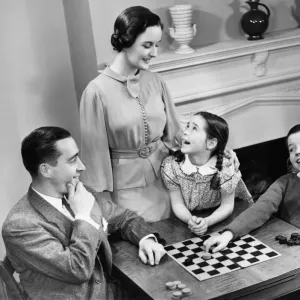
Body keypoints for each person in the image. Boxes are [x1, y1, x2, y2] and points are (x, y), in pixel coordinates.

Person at [79, 6, 239, 222]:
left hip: (168, 182)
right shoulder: (96, 92)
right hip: (127, 190)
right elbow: (94, 160)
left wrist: (219, 150)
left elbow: (176, 135)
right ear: (126, 41)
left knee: (179, 243)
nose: (154, 53)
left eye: (156, 45)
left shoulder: (156, 81)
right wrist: (105, 210)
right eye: (147, 45)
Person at [2, 126, 166, 300]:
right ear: (46, 170)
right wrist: (83, 217)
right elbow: (77, 270)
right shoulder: (19, 226)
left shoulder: (80, 192)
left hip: (112, 290)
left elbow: (124, 217)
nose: (82, 166)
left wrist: (146, 239)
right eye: (72, 160)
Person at [204, 124, 300, 253]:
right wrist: (228, 234)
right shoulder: (283, 183)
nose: (297, 152)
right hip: (290, 250)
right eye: (292, 149)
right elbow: (260, 209)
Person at [161, 111, 252, 236]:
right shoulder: (172, 166)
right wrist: (191, 221)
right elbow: (177, 203)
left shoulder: (225, 169)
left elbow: (227, 206)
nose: (185, 131)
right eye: (187, 126)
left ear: (211, 143)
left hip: (226, 220)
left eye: (194, 129)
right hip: (188, 222)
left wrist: (208, 221)